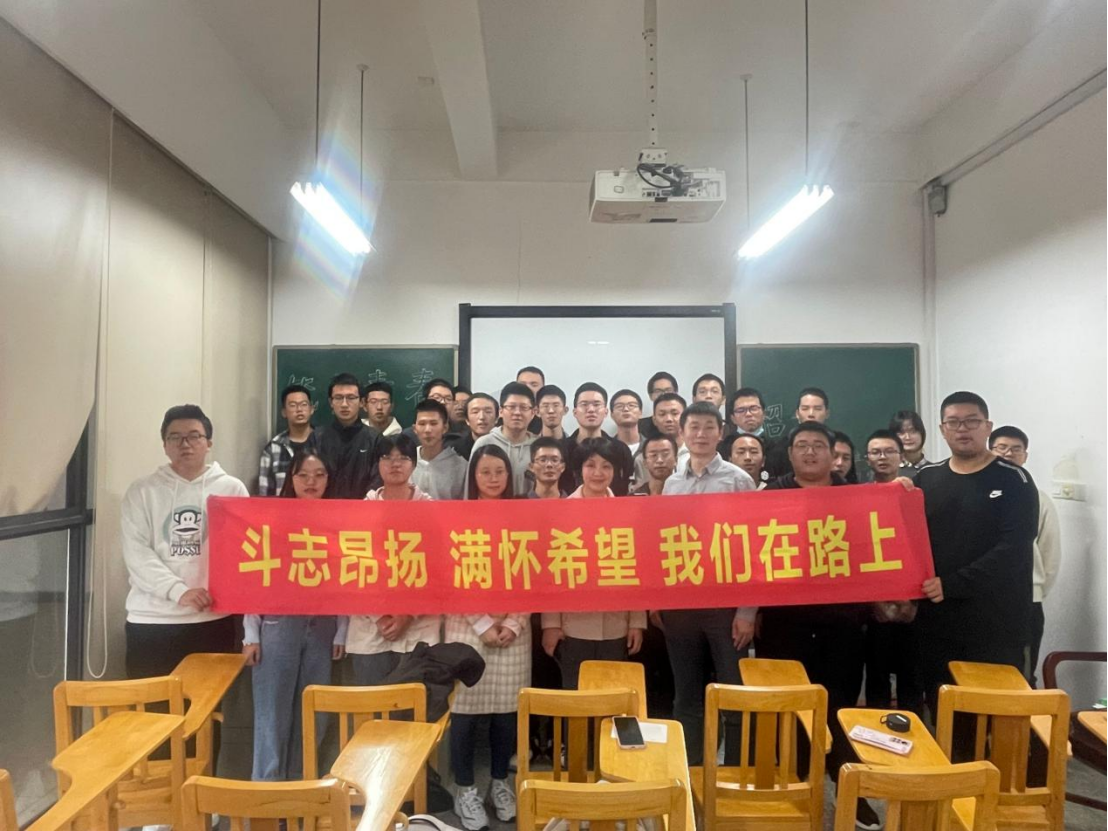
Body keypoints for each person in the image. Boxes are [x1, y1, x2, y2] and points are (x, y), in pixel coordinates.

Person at [758, 421, 878, 830]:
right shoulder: (769, 497)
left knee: (841, 709)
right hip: (784, 623)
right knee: (789, 708)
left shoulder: (857, 497)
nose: (809, 452)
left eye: (818, 446)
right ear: (790, 453)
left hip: (842, 623)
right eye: (801, 445)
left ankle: (851, 792)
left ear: (833, 454)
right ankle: (794, 790)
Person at [916, 392, 1038, 723]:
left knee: (995, 720)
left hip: (994, 625)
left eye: (971, 421)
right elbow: (908, 539)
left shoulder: (1014, 479)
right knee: (945, 717)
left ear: (987, 426)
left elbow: (1014, 549)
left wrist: (952, 584)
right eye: (953, 422)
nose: (962, 429)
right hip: (937, 622)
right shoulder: (926, 479)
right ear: (942, 429)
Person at [121, 405, 248, 681]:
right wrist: (179, 591)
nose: (185, 444)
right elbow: (137, 554)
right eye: (175, 437)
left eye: (194, 436)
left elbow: (245, 550)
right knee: (152, 706)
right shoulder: (142, 491)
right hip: (152, 620)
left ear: (208, 443)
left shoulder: (231, 489)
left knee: (208, 705)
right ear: (165, 445)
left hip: (212, 619)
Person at [660, 402, 756, 765]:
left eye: (708, 427)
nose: (701, 434)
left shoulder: (738, 480)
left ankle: (735, 774)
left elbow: (754, 548)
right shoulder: (672, 483)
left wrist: (747, 612)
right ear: (682, 432)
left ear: (721, 432)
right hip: (681, 607)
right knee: (686, 696)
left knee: (733, 694)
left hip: (725, 608)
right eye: (694, 427)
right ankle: (692, 772)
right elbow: (663, 545)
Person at [243, 450, 346, 781]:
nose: (311, 482)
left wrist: (342, 630)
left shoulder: (341, 520)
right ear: (291, 478)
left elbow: (348, 577)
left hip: (322, 626)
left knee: (314, 713)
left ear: (329, 479)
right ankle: (267, 791)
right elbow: (255, 576)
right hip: (278, 623)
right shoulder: (273, 519)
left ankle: (302, 786)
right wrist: (251, 633)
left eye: (319, 475)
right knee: (272, 712)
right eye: (303, 475)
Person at [447, 446, 530, 828]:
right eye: (485, 472)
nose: (493, 478)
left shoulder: (523, 518)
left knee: (506, 714)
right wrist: (483, 624)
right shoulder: (457, 517)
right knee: (463, 714)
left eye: (500, 471)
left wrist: (512, 623)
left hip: (514, 632)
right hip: (467, 629)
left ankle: (499, 783)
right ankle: (464, 789)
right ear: (473, 477)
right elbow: (451, 575)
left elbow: (535, 574)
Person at [541, 439, 646, 689]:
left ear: (616, 471)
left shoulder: (628, 513)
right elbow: (552, 573)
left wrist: (636, 622)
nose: (598, 473)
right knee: (576, 699)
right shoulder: (560, 513)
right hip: (573, 627)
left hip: (616, 626)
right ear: (580, 470)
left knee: (612, 698)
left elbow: (637, 570)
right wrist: (551, 624)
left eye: (606, 466)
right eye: (591, 465)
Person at [347, 435, 441, 687]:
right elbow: (353, 567)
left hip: (418, 628)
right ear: (377, 464)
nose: (395, 464)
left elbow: (437, 568)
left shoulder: (430, 510)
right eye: (387, 457)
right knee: (371, 707)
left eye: (403, 458)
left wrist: (406, 615)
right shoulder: (362, 511)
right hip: (370, 630)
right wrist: (380, 616)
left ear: (414, 464)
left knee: (414, 706)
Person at [989, 425, 1061, 685]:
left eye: (1016, 449)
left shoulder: (1039, 499)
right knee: (982, 671)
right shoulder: (976, 492)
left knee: (1021, 673)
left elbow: (1049, 554)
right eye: (1001, 448)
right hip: (982, 599)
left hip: (1026, 600)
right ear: (989, 452)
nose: (1008, 454)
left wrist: (1034, 589)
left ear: (1025, 456)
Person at [862, 430, 925, 718]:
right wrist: (873, 599)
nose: (882, 457)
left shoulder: (915, 493)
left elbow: (923, 545)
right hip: (873, 603)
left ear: (901, 457)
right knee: (876, 678)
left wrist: (913, 599)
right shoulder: (856, 496)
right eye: (875, 452)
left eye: (889, 451)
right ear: (867, 458)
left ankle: (916, 736)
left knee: (912, 678)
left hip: (912, 600)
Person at [315, 373, 380, 499]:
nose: (344, 404)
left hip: (363, 508)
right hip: (323, 508)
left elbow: (377, 482)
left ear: (362, 402)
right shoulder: (317, 438)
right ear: (331, 402)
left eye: (351, 397)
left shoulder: (375, 439)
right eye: (338, 398)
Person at [467, 382, 536, 496]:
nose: (517, 413)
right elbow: (471, 486)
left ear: (533, 413)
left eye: (524, 408)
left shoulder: (538, 447)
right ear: (501, 411)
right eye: (511, 407)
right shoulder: (484, 444)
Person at [566, 383, 634, 496]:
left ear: (606, 412)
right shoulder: (562, 449)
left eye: (596, 404)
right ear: (575, 412)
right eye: (584, 404)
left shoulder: (620, 449)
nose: (591, 410)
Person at [258, 384, 319, 496]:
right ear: (284, 412)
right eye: (293, 405)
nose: (299, 410)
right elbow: (264, 495)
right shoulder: (273, 449)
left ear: (311, 409)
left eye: (304, 404)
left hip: (318, 507)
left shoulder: (325, 443)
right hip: (283, 507)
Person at [411, 399, 467, 500]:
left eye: (433, 423)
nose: (428, 430)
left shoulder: (460, 466)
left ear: (445, 428)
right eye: (422, 424)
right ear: (415, 429)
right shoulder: (406, 460)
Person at [634, 392, 688, 485]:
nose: (669, 419)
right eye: (662, 414)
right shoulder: (643, 459)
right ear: (654, 420)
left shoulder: (696, 454)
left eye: (674, 413)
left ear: (686, 418)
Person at [451, 392, 498, 461]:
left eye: (488, 411)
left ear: (496, 418)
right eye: (475, 412)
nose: (482, 417)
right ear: (467, 420)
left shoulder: (505, 445)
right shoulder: (456, 450)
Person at [638, 370, 679, 439]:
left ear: (676, 393)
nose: (663, 394)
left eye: (668, 390)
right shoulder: (640, 427)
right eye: (658, 391)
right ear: (650, 396)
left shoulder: (686, 422)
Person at [890, 409, 930, 477]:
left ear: (922, 434)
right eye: (901, 432)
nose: (908, 437)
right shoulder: (886, 473)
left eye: (913, 431)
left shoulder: (934, 471)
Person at [610, 389, 643, 456]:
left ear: (640, 412)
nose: (626, 409)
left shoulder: (653, 446)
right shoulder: (606, 449)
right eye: (619, 406)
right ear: (612, 415)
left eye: (631, 405)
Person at [516, 366, 546, 433]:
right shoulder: (506, 414)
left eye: (534, 385)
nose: (528, 388)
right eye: (522, 384)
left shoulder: (547, 416)